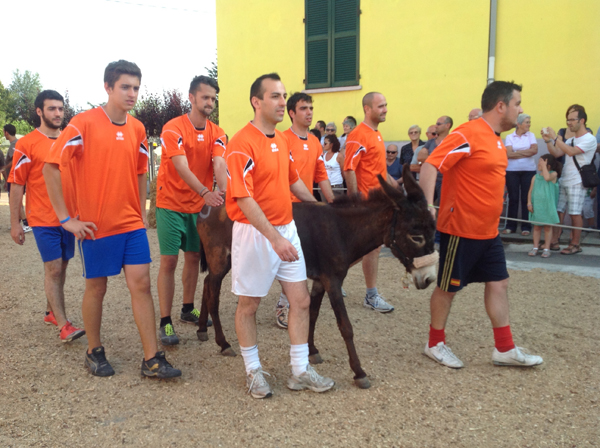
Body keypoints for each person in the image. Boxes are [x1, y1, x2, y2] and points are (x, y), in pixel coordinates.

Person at [44, 60, 181, 379]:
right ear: (108, 87)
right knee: (97, 287)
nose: (132, 93)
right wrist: (66, 219)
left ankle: (152, 359)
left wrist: (141, 210)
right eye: (125, 87)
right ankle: (94, 350)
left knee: (142, 284)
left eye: (136, 87)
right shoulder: (83, 123)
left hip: (130, 224)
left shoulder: (137, 129)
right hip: (95, 225)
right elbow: (51, 167)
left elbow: (138, 172)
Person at [420, 80, 543, 369]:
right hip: (460, 229)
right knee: (448, 287)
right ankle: (434, 343)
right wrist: (427, 208)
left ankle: (504, 348)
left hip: (489, 231)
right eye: (517, 103)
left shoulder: (497, 138)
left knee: (499, 283)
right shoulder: (468, 133)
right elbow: (430, 165)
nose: (520, 109)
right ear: (500, 106)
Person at [225, 73, 334, 398]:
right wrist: (274, 238)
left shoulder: (282, 140)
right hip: (256, 234)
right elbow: (244, 198)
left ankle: (300, 370)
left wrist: (317, 207)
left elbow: (292, 181)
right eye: (275, 96)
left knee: (300, 300)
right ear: (256, 102)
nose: (281, 102)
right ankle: (253, 370)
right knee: (249, 304)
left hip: (285, 230)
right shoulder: (241, 143)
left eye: (283, 95)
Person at [155, 75, 227, 345]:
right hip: (171, 205)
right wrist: (206, 192)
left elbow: (220, 164)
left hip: (199, 208)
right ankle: (165, 321)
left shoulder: (217, 133)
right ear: (192, 97)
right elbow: (180, 166)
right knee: (169, 262)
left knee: (195, 258)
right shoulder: (173, 128)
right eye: (205, 97)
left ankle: (187, 309)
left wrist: (228, 193)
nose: (209, 102)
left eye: (213, 98)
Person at [8, 90, 85, 342]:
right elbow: (17, 184)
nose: (58, 113)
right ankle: (64, 325)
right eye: (52, 109)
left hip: (69, 218)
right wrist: (15, 223)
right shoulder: (26, 143)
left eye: (61, 109)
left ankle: (51, 312)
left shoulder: (70, 140)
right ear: (39, 111)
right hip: (42, 218)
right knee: (53, 269)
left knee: (61, 267)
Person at [275, 92, 334, 329]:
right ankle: (283, 303)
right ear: (291, 113)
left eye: (311, 108)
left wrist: (331, 205)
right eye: (303, 108)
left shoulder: (314, 142)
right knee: (290, 258)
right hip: (286, 209)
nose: (309, 112)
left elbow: (322, 176)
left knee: (304, 257)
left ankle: (295, 300)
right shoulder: (281, 138)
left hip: (307, 207)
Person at [343, 91, 395, 313]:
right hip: (367, 204)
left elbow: (378, 171)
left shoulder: (376, 134)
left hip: (378, 203)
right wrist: (357, 203)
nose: (385, 109)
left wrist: (397, 189)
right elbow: (349, 168)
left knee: (367, 248)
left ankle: (332, 273)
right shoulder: (358, 135)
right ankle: (371, 295)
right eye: (380, 106)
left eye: (385, 105)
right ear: (367, 109)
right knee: (372, 248)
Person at [542, 104, 597, 255]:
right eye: (567, 120)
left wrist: (555, 137)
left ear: (582, 120)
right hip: (565, 178)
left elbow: (571, 152)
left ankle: (575, 244)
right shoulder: (571, 139)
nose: (569, 123)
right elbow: (557, 152)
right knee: (558, 211)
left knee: (574, 213)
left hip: (577, 180)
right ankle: (553, 241)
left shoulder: (589, 139)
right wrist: (548, 140)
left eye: (572, 120)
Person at [502, 113, 538, 236]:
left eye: (529, 122)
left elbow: (534, 150)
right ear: (519, 124)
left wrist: (517, 152)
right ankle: (511, 226)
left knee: (526, 198)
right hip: (512, 171)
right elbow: (508, 154)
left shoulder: (531, 135)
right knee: (513, 198)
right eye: (527, 122)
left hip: (529, 170)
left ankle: (526, 226)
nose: (529, 124)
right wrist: (525, 152)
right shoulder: (509, 136)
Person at [527, 154, 561, 258]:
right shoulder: (535, 177)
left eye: (541, 162)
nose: (538, 164)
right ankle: (535, 247)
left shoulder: (554, 174)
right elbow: (530, 191)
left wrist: (545, 167)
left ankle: (546, 248)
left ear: (548, 165)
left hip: (548, 207)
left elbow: (546, 178)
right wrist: (529, 202)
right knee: (536, 227)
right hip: (537, 206)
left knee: (547, 227)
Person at [418, 116, 453, 202]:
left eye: (438, 124)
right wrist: (441, 159)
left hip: (445, 181)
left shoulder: (452, 141)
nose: (436, 126)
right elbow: (420, 157)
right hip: (431, 180)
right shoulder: (431, 142)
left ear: (447, 125)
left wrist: (430, 158)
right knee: (425, 206)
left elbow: (451, 160)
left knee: (442, 207)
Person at [3, 124, 30, 232]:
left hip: (15, 177)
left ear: (6, 133)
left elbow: (15, 160)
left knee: (14, 201)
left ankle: (26, 223)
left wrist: (4, 167)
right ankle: (19, 223)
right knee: (15, 200)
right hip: (13, 178)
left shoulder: (16, 144)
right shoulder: (14, 144)